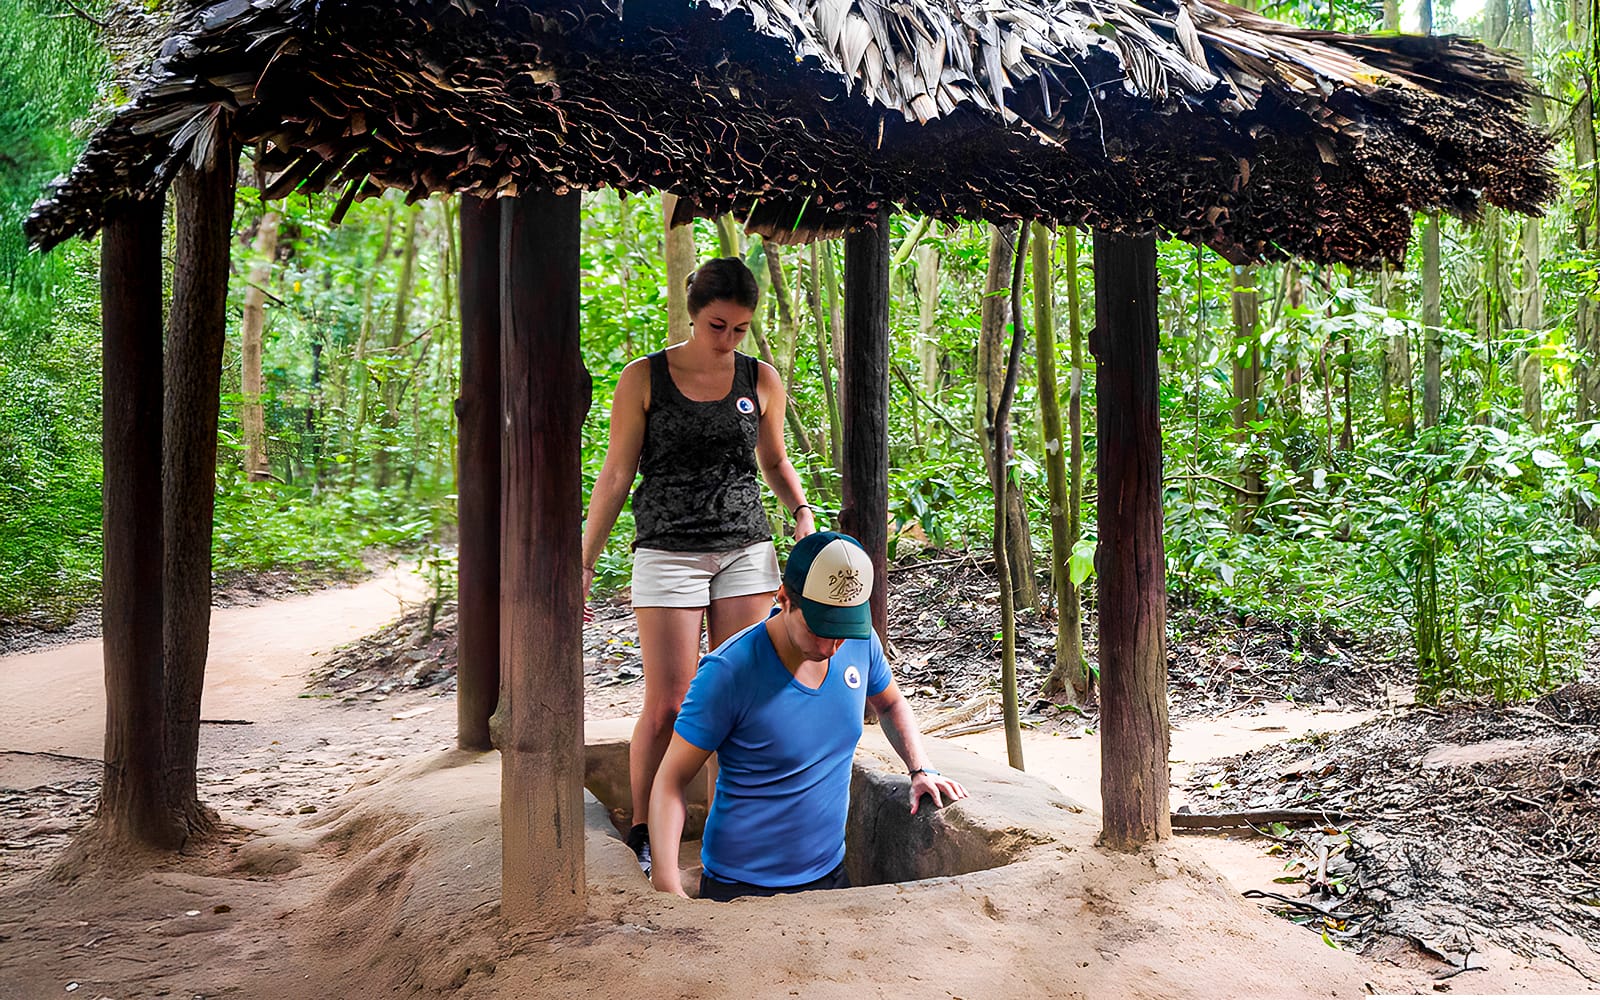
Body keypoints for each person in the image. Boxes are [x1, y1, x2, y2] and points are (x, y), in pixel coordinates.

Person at [581, 257, 817, 879]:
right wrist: (584, 560)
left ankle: (727, 828)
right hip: (666, 549)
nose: (728, 340)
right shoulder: (644, 378)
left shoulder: (760, 378)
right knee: (670, 702)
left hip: (745, 547)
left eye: (740, 329)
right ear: (693, 312)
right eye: (718, 326)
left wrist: (800, 508)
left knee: (740, 694)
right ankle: (642, 827)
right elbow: (615, 475)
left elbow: (773, 462)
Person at [649, 531, 969, 900]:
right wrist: (667, 883)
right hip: (740, 887)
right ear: (784, 598)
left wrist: (920, 768)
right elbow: (671, 780)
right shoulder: (728, 672)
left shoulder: (861, 642)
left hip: (830, 875)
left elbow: (891, 703)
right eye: (821, 627)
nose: (832, 646)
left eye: (843, 630)